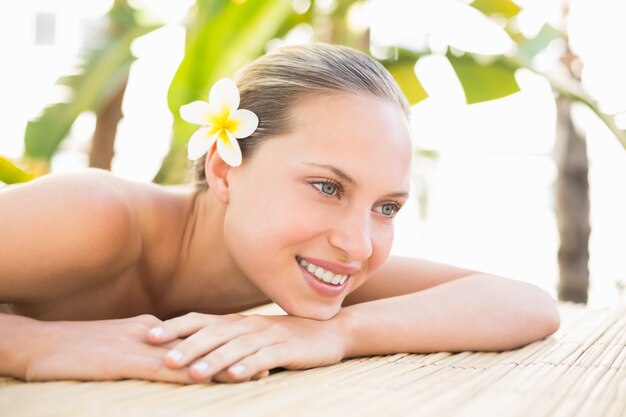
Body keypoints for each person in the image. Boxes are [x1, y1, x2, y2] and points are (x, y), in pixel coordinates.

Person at [0, 43, 560, 384]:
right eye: (327, 186)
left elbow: (525, 303)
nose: (360, 244)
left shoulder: (313, 261)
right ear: (223, 169)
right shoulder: (95, 218)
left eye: (386, 206)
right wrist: (30, 345)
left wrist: (338, 333)